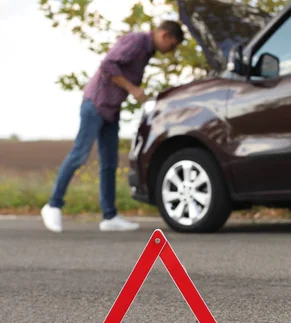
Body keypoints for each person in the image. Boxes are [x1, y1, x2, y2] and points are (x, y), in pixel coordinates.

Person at [41, 20, 184, 233]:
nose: (171, 51)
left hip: (111, 110)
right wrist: (133, 89)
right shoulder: (136, 41)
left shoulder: (147, 52)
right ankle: (53, 205)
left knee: (109, 163)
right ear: (164, 35)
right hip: (96, 104)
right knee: (80, 154)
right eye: (172, 45)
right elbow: (108, 64)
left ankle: (109, 216)